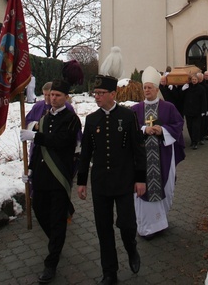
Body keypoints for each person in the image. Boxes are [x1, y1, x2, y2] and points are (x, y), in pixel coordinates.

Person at [77, 74, 147, 285]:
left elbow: (138, 150)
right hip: (100, 182)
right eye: (95, 94)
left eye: (101, 93)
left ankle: (131, 248)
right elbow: (86, 153)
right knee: (103, 228)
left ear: (113, 94)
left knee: (126, 224)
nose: (97, 97)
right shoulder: (91, 119)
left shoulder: (127, 116)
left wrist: (140, 178)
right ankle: (110, 272)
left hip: (124, 180)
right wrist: (81, 182)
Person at [20, 79, 81, 284]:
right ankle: (56, 242)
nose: (52, 98)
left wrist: (36, 136)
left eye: (57, 95)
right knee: (39, 211)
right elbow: (38, 151)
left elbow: (60, 142)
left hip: (59, 176)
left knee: (57, 220)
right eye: (51, 95)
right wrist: (29, 170)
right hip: (41, 175)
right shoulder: (45, 118)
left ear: (66, 97)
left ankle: (51, 262)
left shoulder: (72, 119)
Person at [131, 66, 185, 239]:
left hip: (163, 156)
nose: (147, 90)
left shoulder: (168, 107)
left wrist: (162, 130)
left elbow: (178, 125)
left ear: (156, 89)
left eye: (150, 87)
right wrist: (143, 129)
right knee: (142, 189)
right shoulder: (135, 109)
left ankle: (160, 222)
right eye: (144, 87)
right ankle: (145, 227)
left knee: (164, 187)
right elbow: (130, 130)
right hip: (141, 159)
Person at [182, 73, 207, 149]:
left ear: (198, 80)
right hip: (188, 111)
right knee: (189, 127)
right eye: (192, 79)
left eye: (195, 79)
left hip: (197, 111)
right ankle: (192, 140)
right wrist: (183, 89)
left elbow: (203, 100)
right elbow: (182, 97)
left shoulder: (201, 89)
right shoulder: (188, 88)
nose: (194, 81)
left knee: (196, 127)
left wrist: (204, 110)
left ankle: (195, 142)